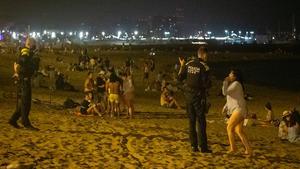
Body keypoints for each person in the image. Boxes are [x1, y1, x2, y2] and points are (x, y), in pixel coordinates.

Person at [178, 45, 212, 153]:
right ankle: (203, 147)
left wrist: (182, 65)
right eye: (207, 55)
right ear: (204, 54)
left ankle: (193, 146)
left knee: (191, 121)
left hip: (188, 96)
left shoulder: (188, 64)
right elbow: (206, 84)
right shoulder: (204, 67)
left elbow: (179, 78)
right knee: (201, 121)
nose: (208, 57)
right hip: (198, 97)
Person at [9, 38, 40, 130]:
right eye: (34, 44)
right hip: (24, 80)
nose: (35, 46)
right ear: (30, 44)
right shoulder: (25, 52)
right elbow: (22, 64)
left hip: (23, 79)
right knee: (26, 103)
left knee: (23, 102)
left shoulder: (27, 52)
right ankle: (25, 122)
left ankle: (13, 119)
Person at [222, 69, 252, 155]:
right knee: (239, 130)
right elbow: (233, 97)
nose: (228, 75)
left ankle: (233, 148)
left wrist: (225, 81)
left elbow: (224, 92)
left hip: (239, 109)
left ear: (235, 77)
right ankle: (249, 150)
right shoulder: (235, 85)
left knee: (229, 128)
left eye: (230, 74)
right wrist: (226, 106)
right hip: (241, 109)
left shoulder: (236, 84)